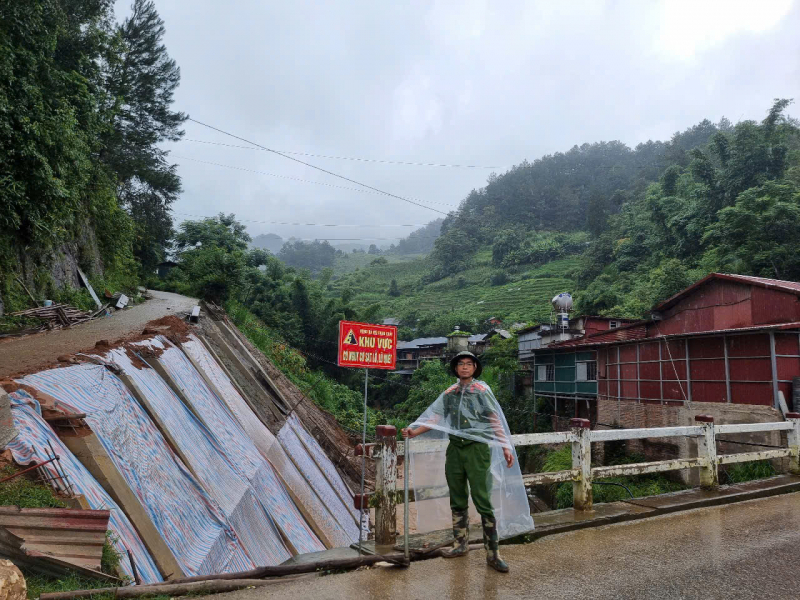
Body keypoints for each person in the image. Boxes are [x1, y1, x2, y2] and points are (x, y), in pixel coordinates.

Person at [401, 351, 512, 573]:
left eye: (468, 364)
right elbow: (434, 418)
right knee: (457, 496)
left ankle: (493, 554)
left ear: (474, 368)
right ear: (455, 368)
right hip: (455, 450)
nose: (464, 367)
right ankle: (460, 544)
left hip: (477, 450)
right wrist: (414, 432)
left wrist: (505, 445)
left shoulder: (482, 391)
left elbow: (494, 419)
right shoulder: (450, 393)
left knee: (482, 498)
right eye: (460, 364)